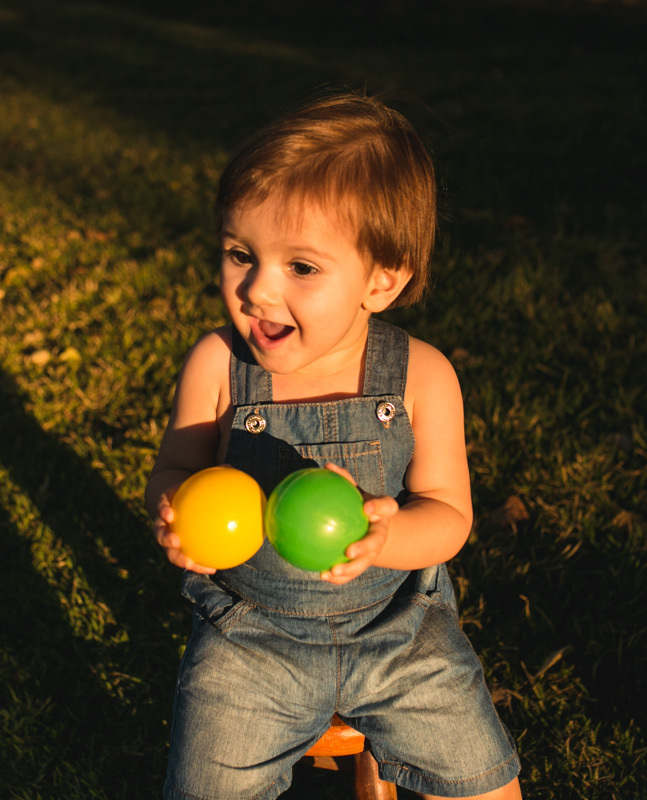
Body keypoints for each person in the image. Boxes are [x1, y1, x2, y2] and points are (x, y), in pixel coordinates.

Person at [146, 90, 522, 800]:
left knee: (486, 782)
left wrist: (387, 539)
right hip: (250, 638)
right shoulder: (216, 366)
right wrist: (173, 511)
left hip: (399, 631)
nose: (256, 289)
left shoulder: (422, 375)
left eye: (302, 267)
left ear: (382, 279)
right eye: (239, 254)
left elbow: (449, 517)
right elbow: (176, 466)